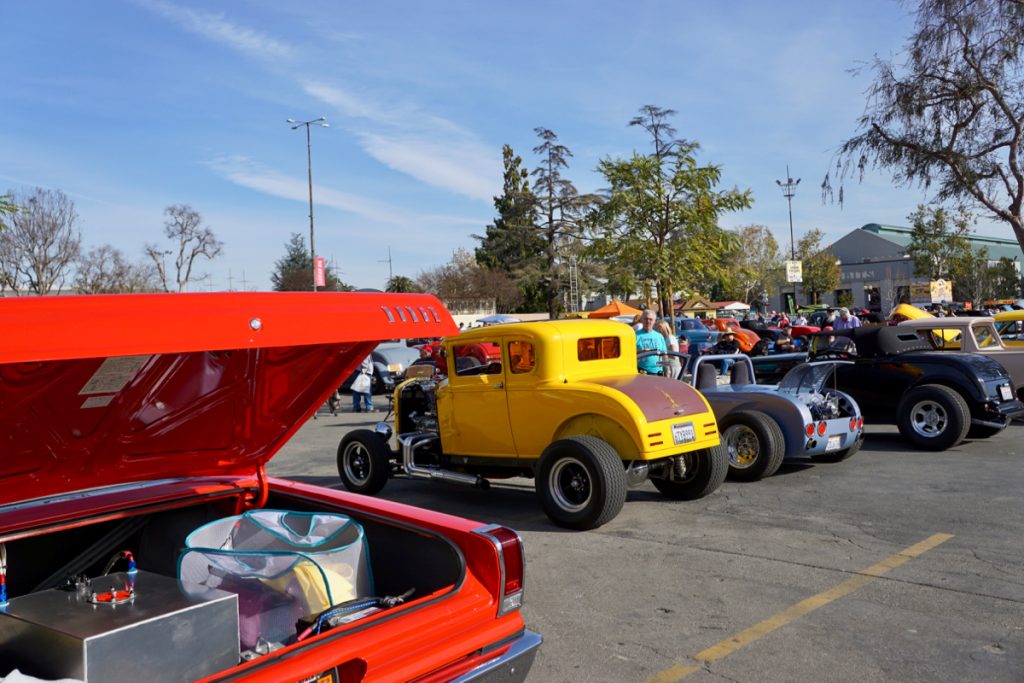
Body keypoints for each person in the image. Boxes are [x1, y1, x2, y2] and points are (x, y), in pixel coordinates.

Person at [635, 309, 667, 374]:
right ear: (642, 320)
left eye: (650, 319)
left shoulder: (659, 336)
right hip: (642, 372)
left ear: (654, 321)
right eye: (646, 319)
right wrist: (641, 352)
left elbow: (664, 355)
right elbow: (629, 355)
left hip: (658, 373)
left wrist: (666, 371)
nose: (648, 321)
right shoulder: (635, 335)